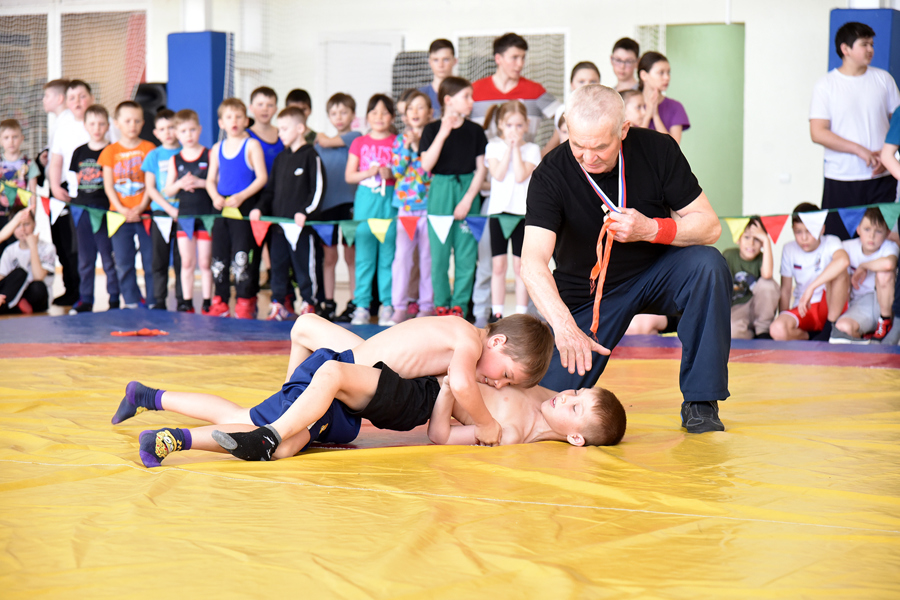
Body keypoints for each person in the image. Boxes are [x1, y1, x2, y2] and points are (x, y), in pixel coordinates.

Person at [521, 84, 730, 434]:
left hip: (657, 272)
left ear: (624, 130)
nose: (588, 158)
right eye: (578, 146)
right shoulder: (551, 174)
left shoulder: (658, 150)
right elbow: (532, 263)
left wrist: (651, 229)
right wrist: (564, 327)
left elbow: (709, 226)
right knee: (546, 403)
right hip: (588, 295)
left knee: (708, 265)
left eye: (600, 146)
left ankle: (700, 401)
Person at [209, 311, 555, 456]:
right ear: (497, 343)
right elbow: (462, 384)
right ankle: (279, 426)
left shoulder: (460, 329)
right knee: (271, 423)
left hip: (358, 355)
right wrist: (487, 424)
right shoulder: (469, 340)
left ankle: (294, 397)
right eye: (505, 375)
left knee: (304, 324)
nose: (497, 384)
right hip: (353, 370)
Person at [470, 33, 561, 325]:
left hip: (524, 193)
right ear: (498, 58)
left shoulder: (534, 91)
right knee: (490, 263)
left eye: (523, 57)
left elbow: (563, 117)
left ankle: (527, 316)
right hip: (493, 194)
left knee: (527, 262)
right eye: (514, 57)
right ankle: (485, 314)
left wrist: (546, 154)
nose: (520, 63)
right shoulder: (477, 91)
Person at [811, 22, 900, 239]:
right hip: (842, 178)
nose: (870, 49)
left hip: (882, 176)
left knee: (882, 242)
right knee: (839, 242)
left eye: (872, 44)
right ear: (845, 49)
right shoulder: (826, 85)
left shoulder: (884, 80)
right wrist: (859, 150)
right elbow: (818, 132)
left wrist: (884, 155)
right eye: (864, 44)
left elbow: (897, 122)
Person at [420, 77, 488, 319]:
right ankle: (441, 304)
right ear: (448, 100)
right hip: (440, 190)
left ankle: (460, 305)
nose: (471, 101)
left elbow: (481, 169)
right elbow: (427, 164)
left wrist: (468, 199)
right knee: (438, 255)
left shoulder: (476, 131)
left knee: (466, 255)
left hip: (467, 189)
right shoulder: (430, 130)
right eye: (466, 96)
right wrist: (443, 131)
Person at [250, 107, 326, 320]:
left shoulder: (311, 156)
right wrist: (259, 208)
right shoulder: (281, 158)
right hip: (278, 227)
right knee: (278, 266)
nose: (280, 133)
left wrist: (305, 212)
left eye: (284, 128)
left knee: (305, 268)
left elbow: (318, 190)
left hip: (301, 228)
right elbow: (271, 191)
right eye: (279, 128)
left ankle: (309, 304)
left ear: (300, 128)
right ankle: (278, 304)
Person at [205, 98, 268, 319]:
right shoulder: (217, 148)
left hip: (243, 206)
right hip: (222, 208)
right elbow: (210, 179)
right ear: (221, 122)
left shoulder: (251, 145)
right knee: (219, 256)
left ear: (246, 120)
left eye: (239, 116)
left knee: (242, 255)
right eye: (229, 117)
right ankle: (220, 301)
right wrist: (214, 196)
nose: (234, 121)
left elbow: (261, 178)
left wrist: (241, 196)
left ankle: (244, 300)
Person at [483, 101, 539, 323]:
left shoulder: (532, 150)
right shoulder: (493, 147)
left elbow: (520, 175)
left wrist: (516, 148)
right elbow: (496, 174)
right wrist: (509, 148)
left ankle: (520, 311)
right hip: (498, 213)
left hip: (521, 214)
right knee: (498, 264)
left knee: (519, 265)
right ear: (500, 126)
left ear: (526, 125)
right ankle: (496, 310)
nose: (514, 130)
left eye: (518, 125)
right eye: (509, 125)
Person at [345, 94, 398, 325]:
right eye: (374, 112)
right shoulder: (359, 142)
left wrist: (391, 174)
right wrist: (368, 172)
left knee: (389, 258)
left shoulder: (398, 142)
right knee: (364, 258)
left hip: (390, 202)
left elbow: (406, 174)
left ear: (393, 117)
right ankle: (362, 306)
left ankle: (388, 305)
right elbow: (349, 175)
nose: (379, 117)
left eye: (385, 112)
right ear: (367, 117)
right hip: (365, 203)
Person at [99, 101, 157, 309]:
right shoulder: (110, 151)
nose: (132, 125)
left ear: (142, 123)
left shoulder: (149, 149)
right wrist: (122, 209)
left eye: (137, 121)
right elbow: (109, 186)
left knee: (151, 262)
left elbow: (152, 183)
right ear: (117, 123)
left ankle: (153, 301)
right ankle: (131, 301)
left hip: (146, 214)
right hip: (118, 216)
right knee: (123, 263)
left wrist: (141, 207)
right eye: (127, 121)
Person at [66, 104, 120, 314]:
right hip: (82, 212)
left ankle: (114, 298)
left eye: (101, 124)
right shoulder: (79, 151)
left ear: (107, 126)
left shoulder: (113, 150)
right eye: (92, 124)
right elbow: (75, 181)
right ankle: (85, 298)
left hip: (105, 212)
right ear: (85, 125)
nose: (96, 128)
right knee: (85, 259)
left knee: (108, 258)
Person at [769, 203, 850, 342]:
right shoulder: (789, 249)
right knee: (777, 330)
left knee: (839, 272)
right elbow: (786, 290)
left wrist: (811, 288)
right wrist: (784, 316)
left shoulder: (831, 241)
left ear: (821, 229)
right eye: (798, 232)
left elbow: (843, 261)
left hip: (829, 306)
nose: (804, 238)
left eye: (809, 231)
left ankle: (830, 329)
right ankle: (812, 337)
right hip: (804, 308)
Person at [313, 93, 361, 322]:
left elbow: (325, 140)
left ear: (353, 114)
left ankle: (354, 301)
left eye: (344, 112)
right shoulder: (320, 146)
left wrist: (319, 135)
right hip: (327, 206)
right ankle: (328, 302)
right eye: (334, 113)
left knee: (351, 256)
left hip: (349, 204)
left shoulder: (355, 137)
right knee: (329, 257)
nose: (339, 117)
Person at [387, 91, 433, 325]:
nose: (415, 112)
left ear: (430, 113)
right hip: (405, 208)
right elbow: (397, 171)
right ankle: (399, 306)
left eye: (420, 107)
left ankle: (426, 305)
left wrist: (420, 145)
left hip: (428, 207)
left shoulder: (434, 139)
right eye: (410, 109)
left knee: (427, 258)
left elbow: (430, 172)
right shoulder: (398, 141)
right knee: (403, 258)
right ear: (404, 116)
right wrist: (409, 145)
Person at [48, 80, 96, 306]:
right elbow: (56, 160)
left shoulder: (103, 124)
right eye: (73, 98)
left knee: (103, 250)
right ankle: (76, 292)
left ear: (92, 98)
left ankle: (114, 296)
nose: (78, 102)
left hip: (99, 196)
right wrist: (56, 186)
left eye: (82, 96)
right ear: (67, 102)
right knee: (71, 247)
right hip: (70, 195)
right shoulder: (63, 127)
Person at [163, 109, 215, 314]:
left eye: (192, 130)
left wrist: (200, 182)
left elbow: (216, 183)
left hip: (205, 216)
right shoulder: (175, 160)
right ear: (177, 133)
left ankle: (207, 300)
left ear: (199, 130)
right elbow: (168, 190)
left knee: (204, 261)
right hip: (185, 216)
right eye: (184, 131)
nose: (189, 134)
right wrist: (180, 184)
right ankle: (185, 301)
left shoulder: (209, 154)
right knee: (187, 261)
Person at [830, 207, 898, 343]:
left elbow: (889, 264)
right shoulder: (847, 247)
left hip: (884, 305)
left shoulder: (889, 246)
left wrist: (863, 266)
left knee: (884, 274)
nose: (871, 236)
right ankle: (865, 341)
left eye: (878, 231)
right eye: (867, 229)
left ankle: (885, 323)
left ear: (887, 233)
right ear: (858, 229)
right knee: (843, 327)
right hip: (861, 305)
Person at [141, 109, 183, 310]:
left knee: (182, 259)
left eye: (172, 127)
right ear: (156, 133)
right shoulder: (154, 155)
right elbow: (150, 188)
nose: (168, 132)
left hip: (184, 214)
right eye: (162, 129)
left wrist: (180, 210)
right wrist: (169, 209)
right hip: (161, 214)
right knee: (159, 259)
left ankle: (184, 299)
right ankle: (159, 299)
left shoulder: (186, 151)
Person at [723, 217, 779, 339]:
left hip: (758, 307)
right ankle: (752, 335)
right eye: (747, 237)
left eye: (757, 239)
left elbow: (767, 274)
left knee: (768, 284)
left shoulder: (762, 258)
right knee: (731, 331)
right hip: (738, 308)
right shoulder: (729, 255)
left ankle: (763, 331)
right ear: (738, 239)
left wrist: (766, 240)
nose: (751, 243)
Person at [0, 206, 55, 315]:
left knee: (38, 287)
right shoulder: (10, 250)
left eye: (26, 224)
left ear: (34, 224)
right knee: (19, 273)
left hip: (33, 295)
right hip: (12, 295)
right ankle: (14, 307)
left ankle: (17, 306)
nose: (22, 230)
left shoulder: (47, 248)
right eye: (18, 226)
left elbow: (39, 277)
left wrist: (33, 246)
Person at [542, 62, 601, 156]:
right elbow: (552, 145)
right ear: (572, 84)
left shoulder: (605, 111)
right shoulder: (563, 110)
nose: (587, 85)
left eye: (593, 81)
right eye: (581, 81)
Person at [0, 119, 38, 256]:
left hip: (19, 216)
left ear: (22, 139)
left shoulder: (28, 163)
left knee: (15, 251)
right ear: (1, 140)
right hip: (0, 214)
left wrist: (33, 217)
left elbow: (33, 193)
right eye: (6, 137)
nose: (11, 141)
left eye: (15, 137)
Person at [637, 52, 690, 145]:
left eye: (668, 73)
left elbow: (674, 147)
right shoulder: (630, 104)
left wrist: (656, 116)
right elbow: (633, 143)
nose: (667, 77)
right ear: (644, 75)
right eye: (661, 73)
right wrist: (647, 116)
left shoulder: (676, 107)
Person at [36, 79, 71, 190]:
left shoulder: (68, 122)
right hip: (58, 183)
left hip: (65, 183)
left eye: (47, 96)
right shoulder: (59, 121)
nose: (43, 100)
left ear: (60, 98)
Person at [419, 39, 457, 120]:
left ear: (455, 61)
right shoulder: (420, 95)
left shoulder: (464, 93)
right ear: (430, 62)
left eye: (446, 59)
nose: (440, 65)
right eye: (436, 60)